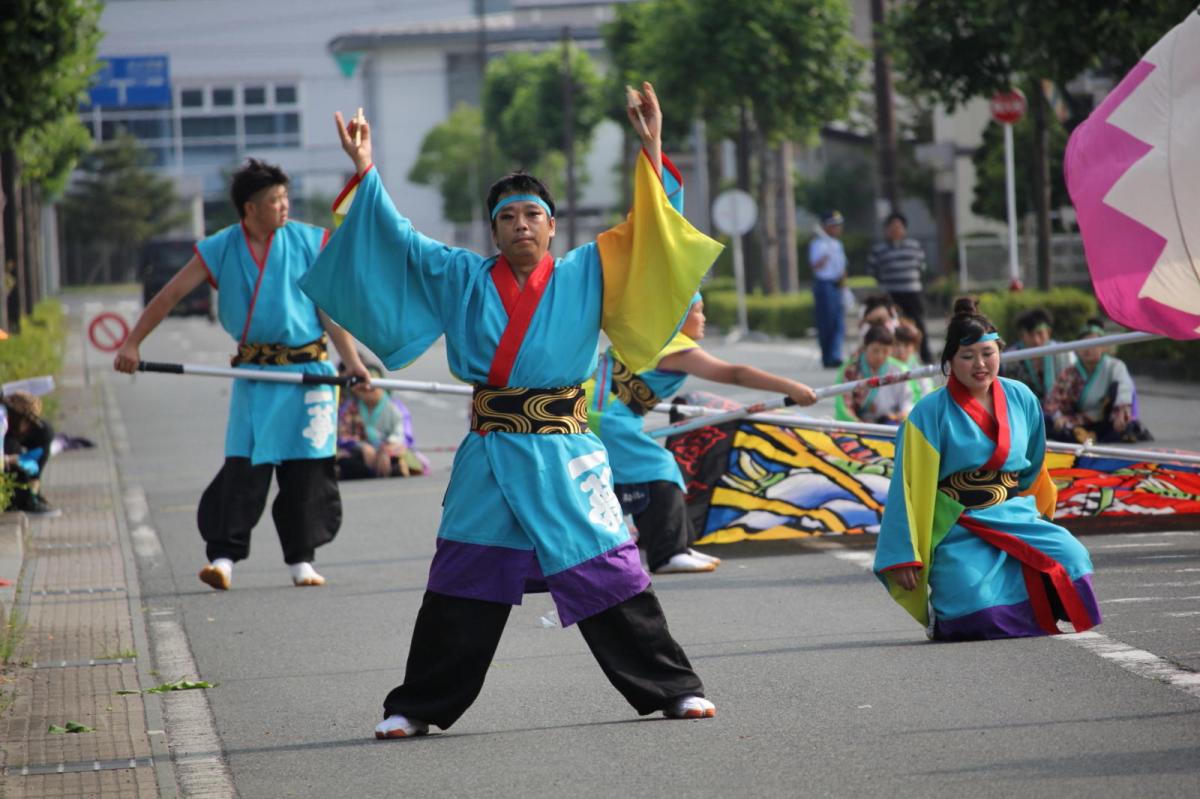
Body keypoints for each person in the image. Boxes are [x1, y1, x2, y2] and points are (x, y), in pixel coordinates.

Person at [301, 84, 724, 739]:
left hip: (564, 451)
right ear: (493, 230)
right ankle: (417, 705)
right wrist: (364, 169)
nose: (521, 224)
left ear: (552, 226)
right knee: (462, 577)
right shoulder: (461, 277)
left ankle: (674, 688)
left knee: (608, 568)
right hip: (491, 455)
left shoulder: (589, 270)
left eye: (532, 214)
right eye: (508, 217)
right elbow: (397, 240)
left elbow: (651, 232)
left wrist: (652, 146)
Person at [114, 158, 371, 591]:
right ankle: (222, 559)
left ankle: (301, 561)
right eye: (275, 200)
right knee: (245, 467)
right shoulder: (220, 247)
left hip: (309, 374)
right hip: (256, 376)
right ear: (250, 208)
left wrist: (354, 363)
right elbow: (170, 295)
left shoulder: (308, 241)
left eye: (286, 198)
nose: (284, 206)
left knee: (307, 470)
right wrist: (132, 342)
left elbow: (330, 312)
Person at [874, 298, 1102, 641]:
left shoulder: (1022, 397)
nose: (980, 364)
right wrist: (904, 554)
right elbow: (905, 485)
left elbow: (1033, 465)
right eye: (967, 356)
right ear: (950, 361)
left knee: (1073, 559)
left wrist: (1035, 513)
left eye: (988, 353)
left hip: (1014, 512)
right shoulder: (928, 412)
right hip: (958, 523)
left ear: (1000, 352)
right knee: (975, 607)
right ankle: (946, 613)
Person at [589, 295, 817, 575]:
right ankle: (667, 554)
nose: (704, 319)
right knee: (658, 467)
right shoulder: (673, 344)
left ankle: (676, 546)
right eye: (697, 311)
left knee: (656, 469)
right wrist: (791, 388)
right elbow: (736, 374)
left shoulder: (651, 339)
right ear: (676, 318)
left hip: (600, 411)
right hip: (604, 416)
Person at [1044, 319, 1153, 444]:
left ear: (1103, 346)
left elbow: (1124, 389)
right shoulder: (1071, 372)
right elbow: (1053, 400)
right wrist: (1058, 417)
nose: (1087, 349)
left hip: (1107, 419)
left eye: (1093, 344)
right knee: (1050, 424)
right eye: (1083, 344)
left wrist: (1121, 412)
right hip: (1079, 420)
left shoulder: (1115, 366)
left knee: (1122, 423)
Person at [336, 362, 428, 479]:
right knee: (345, 460)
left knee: (401, 458)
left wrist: (384, 451)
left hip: (390, 450)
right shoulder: (351, 407)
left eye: (372, 387)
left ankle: (392, 468)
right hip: (362, 452)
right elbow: (344, 435)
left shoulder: (395, 407)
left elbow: (404, 436)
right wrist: (362, 446)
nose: (367, 390)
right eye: (363, 388)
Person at [867, 212, 931, 363]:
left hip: (912, 292)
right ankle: (892, 356)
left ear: (904, 229)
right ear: (886, 230)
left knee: (918, 324)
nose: (895, 230)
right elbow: (872, 271)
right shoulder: (879, 250)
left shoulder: (914, 246)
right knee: (891, 326)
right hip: (891, 294)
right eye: (892, 227)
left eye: (899, 227)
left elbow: (922, 267)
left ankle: (925, 355)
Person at [833, 324, 913, 424]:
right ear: (865, 347)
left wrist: (903, 413)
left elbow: (907, 400)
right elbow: (843, 407)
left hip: (891, 421)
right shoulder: (849, 370)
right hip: (857, 424)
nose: (880, 356)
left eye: (885, 351)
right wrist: (859, 424)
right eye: (875, 351)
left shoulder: (899, 369)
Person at [1001, 307, 1075, 404]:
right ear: (1021, 336)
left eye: (1040, 333)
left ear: (1048, 332)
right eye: (1031, 335)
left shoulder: (1063, 353)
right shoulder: (1011, 359)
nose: (1036, 340)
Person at [2, 391, 59, 515]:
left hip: (13, 437)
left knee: (44, 433)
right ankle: (20, 499)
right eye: (26, 422)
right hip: (5, 444)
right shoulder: (3, 420)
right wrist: (9, 459)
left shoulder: (36, 429)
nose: (27, 426)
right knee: (13, 450)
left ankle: (32, 493)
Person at [808, 211, 847, 368]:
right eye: (834, 225)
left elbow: (842, 267)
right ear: (826, 226)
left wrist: (844, 284)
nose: (837, 228)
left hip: (837, 285)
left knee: (838, 322)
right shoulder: (819, 244)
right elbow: (815, 266)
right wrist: (825, 255)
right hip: (824, 285)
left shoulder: (837, 244)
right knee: (826, 322)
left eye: (838, 225)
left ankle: (835, 355)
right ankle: (827, 356)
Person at [893, 321, 935, 403]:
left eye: (906, 345)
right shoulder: (885, 366)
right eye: (897, 344)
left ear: (914, 347)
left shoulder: (920, 370)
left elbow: (926, 394)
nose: (901, 349)